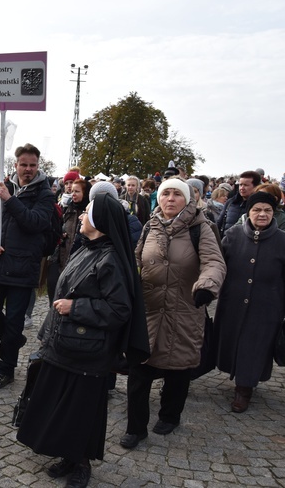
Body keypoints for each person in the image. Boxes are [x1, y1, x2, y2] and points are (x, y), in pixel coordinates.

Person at [17, 194, 149, 488]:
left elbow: (119, 310)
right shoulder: (86, 248)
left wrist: (75, 308)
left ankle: (82, 464)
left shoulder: (110, 258)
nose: (80, 217)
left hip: (88, 352)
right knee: (60, 405)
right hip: (65, 345)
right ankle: (67, 455)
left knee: (80, 411)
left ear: (99, 221)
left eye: (86, 213)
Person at [121, 178, 226, 450]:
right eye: (165, 193)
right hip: (150, 310)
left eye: (176, 194)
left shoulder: (201, 228)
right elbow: (136, 258)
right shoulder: (150, 225)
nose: (170, 199)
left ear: (187, 199)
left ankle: (170, 416)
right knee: (139, 371)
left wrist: (206, 286)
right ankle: (135, 428)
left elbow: (214, 262)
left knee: (178, 370)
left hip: (184, 309)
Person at [0, 143, 55, 389]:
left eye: (33, 165)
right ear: (16, 165)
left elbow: (35, 223)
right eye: (24, 164)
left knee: (14, 320)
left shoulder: (44, 193)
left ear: (38, 166)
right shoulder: (3, 189)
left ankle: (6, 368)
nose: (28, 169)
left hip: (24, 268)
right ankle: (14, 340)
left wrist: (10, 200)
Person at [214, 191, 285, 412]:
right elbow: (218, 265)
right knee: (231, 340)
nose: (262, 214)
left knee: (254, 346)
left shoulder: (283, 240)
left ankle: (244, 388)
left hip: (267, 304)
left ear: (274, 213)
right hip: (233, 301)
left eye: (267, 210)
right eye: (257, 210)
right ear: (249, 212)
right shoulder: (233, 235)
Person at [217, 170, 261, 238]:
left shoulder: (259, 206)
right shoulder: (231, 202)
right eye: (240, 185)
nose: (242, 188)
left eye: (246, 185)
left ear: (256, 187)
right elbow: (219, 223)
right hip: (225, 243)